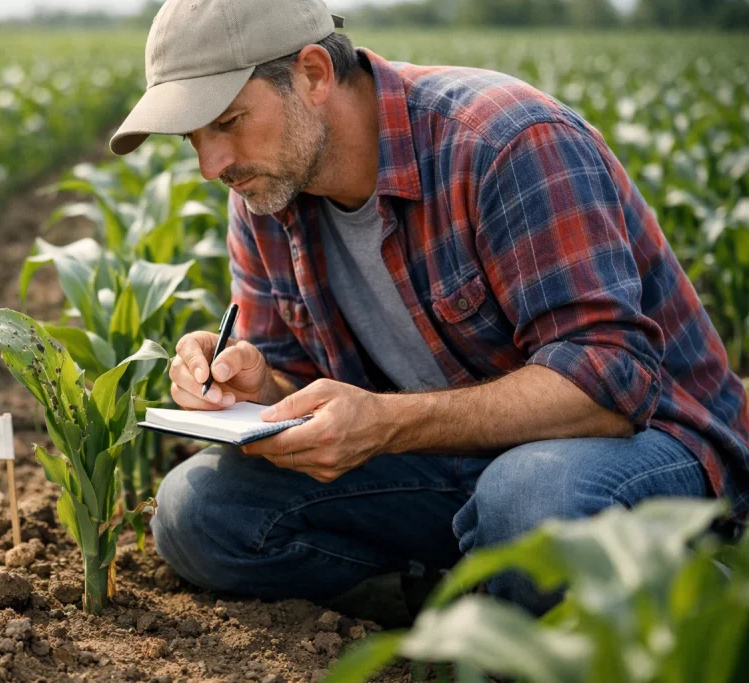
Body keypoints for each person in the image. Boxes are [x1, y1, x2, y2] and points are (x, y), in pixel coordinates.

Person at [108, 0, 749, 614]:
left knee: (530, 505)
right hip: (446, 459)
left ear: (313, 74)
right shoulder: (266, 191)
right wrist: (257, 387)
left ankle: (696, 598)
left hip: (642, 442)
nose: (211, 164)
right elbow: (299, 385)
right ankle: (476, 594)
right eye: (194, 137)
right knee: (200, 510)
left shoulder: (504, 141)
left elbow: (609, 384)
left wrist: (389, 423)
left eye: (228, 122)